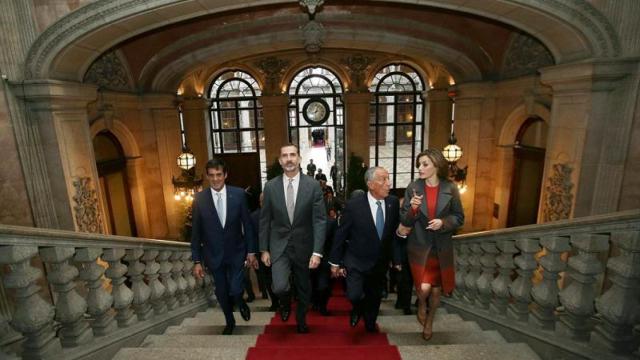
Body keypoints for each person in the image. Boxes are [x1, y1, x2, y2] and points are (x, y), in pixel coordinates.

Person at [260, 143, 327, 334]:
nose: (289, 159)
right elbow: (265, 220)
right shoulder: (271, 187)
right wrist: (264, 249)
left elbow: (320, 220)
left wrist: (317, 252)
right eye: (284, 156)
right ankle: (285, 302)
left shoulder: (313, 186)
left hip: (304, 246)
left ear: (299, 158)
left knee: (304, 286)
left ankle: (301, 319)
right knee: (280, 286)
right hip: (278, 245)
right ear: (280, 161)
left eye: (292, 155)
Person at [400, 148, 464, 340]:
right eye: (419, 164)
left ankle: (430, 321)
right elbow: (405, 220)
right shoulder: (413, 187)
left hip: (441, 246)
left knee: (436, 289)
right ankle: (421, 304)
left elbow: (459, 217)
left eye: (425, 164)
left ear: (436, 166)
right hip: (419, 246)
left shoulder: (450, 188)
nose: (420, 168)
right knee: (423, 288)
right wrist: (413, 208)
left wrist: (443, 223)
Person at [329, 166, 403, 333]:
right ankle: (357, 308)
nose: (388, 183)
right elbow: (341, 235)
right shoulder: (353, 206)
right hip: (356, 260)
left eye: (388, 178)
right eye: (383, 179)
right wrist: (335, 262)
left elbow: (392, 235)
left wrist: (396, 259)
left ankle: (370, 322)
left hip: (379, 261)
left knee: (375, 295)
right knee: (354, 294)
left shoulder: (392, 203)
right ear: (370, 184)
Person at [191, 158, 258, 335]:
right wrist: (197, 260)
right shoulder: (199, 199)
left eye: (219, 175)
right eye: (211, 175)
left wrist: (251, 251)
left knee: (236, 289)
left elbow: (248, 225)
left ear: (225, 175)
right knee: (221, 291)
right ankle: (230, 320)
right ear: (207, 176)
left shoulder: (239, 195)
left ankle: (241, 301)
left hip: (237, 252)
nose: (215, 179)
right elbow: (196, 233)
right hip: (213, 255)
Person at [250, 193, 279, 310]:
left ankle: (283, 300)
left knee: (281, 279)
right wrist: (254, 256)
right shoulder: (253, 217)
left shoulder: (279, 214)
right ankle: (275, 302)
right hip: (261, 253)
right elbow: (251, 237)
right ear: (260, 202)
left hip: (279, 253)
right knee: (267, 279)